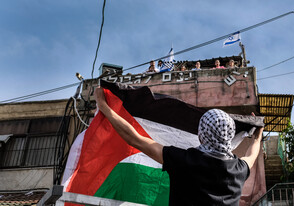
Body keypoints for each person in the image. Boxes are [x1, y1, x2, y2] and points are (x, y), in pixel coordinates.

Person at [95, 87, 263, 206]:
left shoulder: (185, 160)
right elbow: (252, 154)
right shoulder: (239, 169)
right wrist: (258, 131)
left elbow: (135, 139)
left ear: (202, 133)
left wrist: (104, 107)